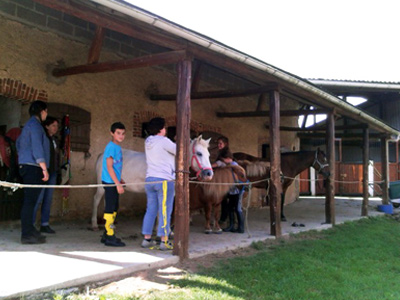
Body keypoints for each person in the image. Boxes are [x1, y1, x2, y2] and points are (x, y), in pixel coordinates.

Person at [16, 100, 50, 244]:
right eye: (46, 111)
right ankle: (27, 234)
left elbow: (18, 144)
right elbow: (37, 148)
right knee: (30, 202)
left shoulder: (28, 126)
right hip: (33, 167)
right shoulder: (35, 126)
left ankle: (30, 230)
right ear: (41, 111)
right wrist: (44, 168)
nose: (46, 114)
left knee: (30, 201)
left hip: (27, 166)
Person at [141, 117, 176, 251]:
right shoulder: (164, 141)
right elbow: (179, 150)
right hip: (164, 180)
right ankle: (164, 241)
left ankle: (146, 239)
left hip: (150, 179)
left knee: (151, 210)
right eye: (165, 127)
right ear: (161, 129)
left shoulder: (148, 141)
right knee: (165, 210)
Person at [101, 122, 126, 247]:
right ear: (112, 133)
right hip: (110, 182)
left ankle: (106, 233)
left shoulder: (118, 147)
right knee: (110, 209)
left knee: (115, 207)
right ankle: (110, 236)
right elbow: (109, 167)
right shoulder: (111, 147)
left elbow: (116, 167)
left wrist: (119, 180)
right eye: (118, 133)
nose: (121, 136)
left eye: (123, 133)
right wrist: (117, 184)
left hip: (114, 181)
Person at [33, 116, 60, 234]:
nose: (56, 128)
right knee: (38, 198)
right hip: (43, 172)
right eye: (53, 125)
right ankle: (32, 224)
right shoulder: (43, 139)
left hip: (53, 172)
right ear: (46, 126)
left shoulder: (55, 140)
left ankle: (45, 224)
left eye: (57, 126)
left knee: (48, 199)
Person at [217, 148, 245, 234]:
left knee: (238, 208)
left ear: (228, 158)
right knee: (230, 208)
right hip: (232, 191)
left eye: (223, 159)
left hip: (237, 190)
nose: (223, 161)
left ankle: (241, 227)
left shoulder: (234, 166)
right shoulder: (229, 166)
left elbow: (240, 177)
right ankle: (231, 226)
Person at [212, 136, 230, 224]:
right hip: (220, 174)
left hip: (224, 176)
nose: (218, 145)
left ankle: (223, 218)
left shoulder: (226, 152)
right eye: (218, 143)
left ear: (225, 144)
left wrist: (210, 166)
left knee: (223, 200)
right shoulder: (221, 152)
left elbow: (228, 160)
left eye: (220, 143)